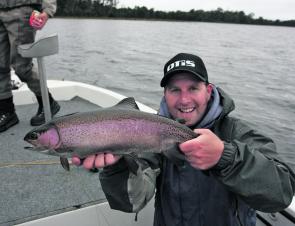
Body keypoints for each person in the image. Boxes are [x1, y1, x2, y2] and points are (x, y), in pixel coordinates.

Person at [72, 53, 295, 226]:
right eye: (174, 89)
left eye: (193, 88)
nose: (184, 99)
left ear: (209, 91)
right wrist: (118, 166)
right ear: (164, 94)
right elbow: (133, 202)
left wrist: (225, 157)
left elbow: (281, 193)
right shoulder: (146, 133)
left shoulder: (238, 132)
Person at [0, 0, 60, 133]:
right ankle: (7, 111)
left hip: (22, 10)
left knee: (22, 67)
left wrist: (47, 10)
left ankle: (48, 103)